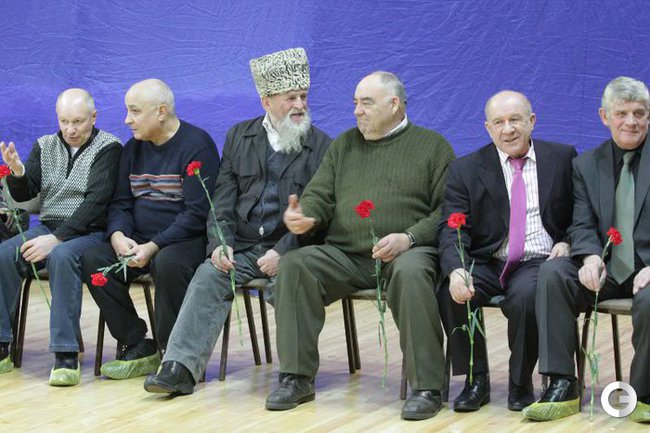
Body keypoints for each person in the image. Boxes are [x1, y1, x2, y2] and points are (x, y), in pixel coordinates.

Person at [264, 71, 455, 421]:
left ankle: (427, 387)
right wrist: (305, 216)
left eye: (366, 103)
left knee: (412, 273)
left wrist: (409, 238)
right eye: (355, 103)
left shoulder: (433, 147)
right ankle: (296, 378)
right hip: (346, 256)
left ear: (394, 104)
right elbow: (319, 195)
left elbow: (447, 211)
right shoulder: (344, 146)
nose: (357, 111)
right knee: (295, 264)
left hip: (407, 253)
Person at [143, 47, 331, 394]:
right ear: (266, 101)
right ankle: (179, 367)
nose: (300, 105)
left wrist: (284, 251)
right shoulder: (238, 137)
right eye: (291, 98)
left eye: (303, 97)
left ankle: (296, 377)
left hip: (291, 251)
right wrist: (220, 243)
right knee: (208, 275)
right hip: (243, 247)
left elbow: (318, 212)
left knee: (292, 284)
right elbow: (223, 201)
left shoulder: (321, 146)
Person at [437, 90, 576, 412]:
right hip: (488, 259)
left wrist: (568, 241)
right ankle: (476, 380)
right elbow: (451, 228)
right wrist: (457, 269)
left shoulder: (562, 158)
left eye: (515, 120)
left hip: (537, 259)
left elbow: (581, 212)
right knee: (451, 290)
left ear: (532, 121)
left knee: (527, 296)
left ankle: (520, 381)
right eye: (498, 122)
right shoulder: (466, 169)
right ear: (488, 128)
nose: (508, 129)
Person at [524, 76, 650, 423]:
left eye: (639, 113)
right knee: (553, 273)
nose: (631, 121)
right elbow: (580, 223)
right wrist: (591, 257)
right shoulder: (586, 165)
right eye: (621, 113)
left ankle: (644, 393)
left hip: (647, 272)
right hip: (607, 269)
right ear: (604, 116)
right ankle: (561, 384)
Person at [81, 79, 220, 380]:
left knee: (167, 263)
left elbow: (197, 213)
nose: (127, 120)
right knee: (93, 260)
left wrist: (154, 246)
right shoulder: (132, 149)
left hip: (184, 240)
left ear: (161, 111)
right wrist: (118, 235)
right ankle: (137, 343)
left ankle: (174, 356)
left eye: (134, 111)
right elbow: (120, 203)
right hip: (138, 240)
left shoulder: (198, 145)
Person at [0, 88, 121, 385]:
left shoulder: (110, 147)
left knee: (62, 257)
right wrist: (18, 172)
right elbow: (26, 194)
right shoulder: (44, 145)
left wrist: (57, 240)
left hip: (91, 231)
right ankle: (2, 343)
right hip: (48, 227)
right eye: (64, 121)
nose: (70, 129)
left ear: (94, 117)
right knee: (4, 254)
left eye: (78, 121)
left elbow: (97, 203)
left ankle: (65, 353)